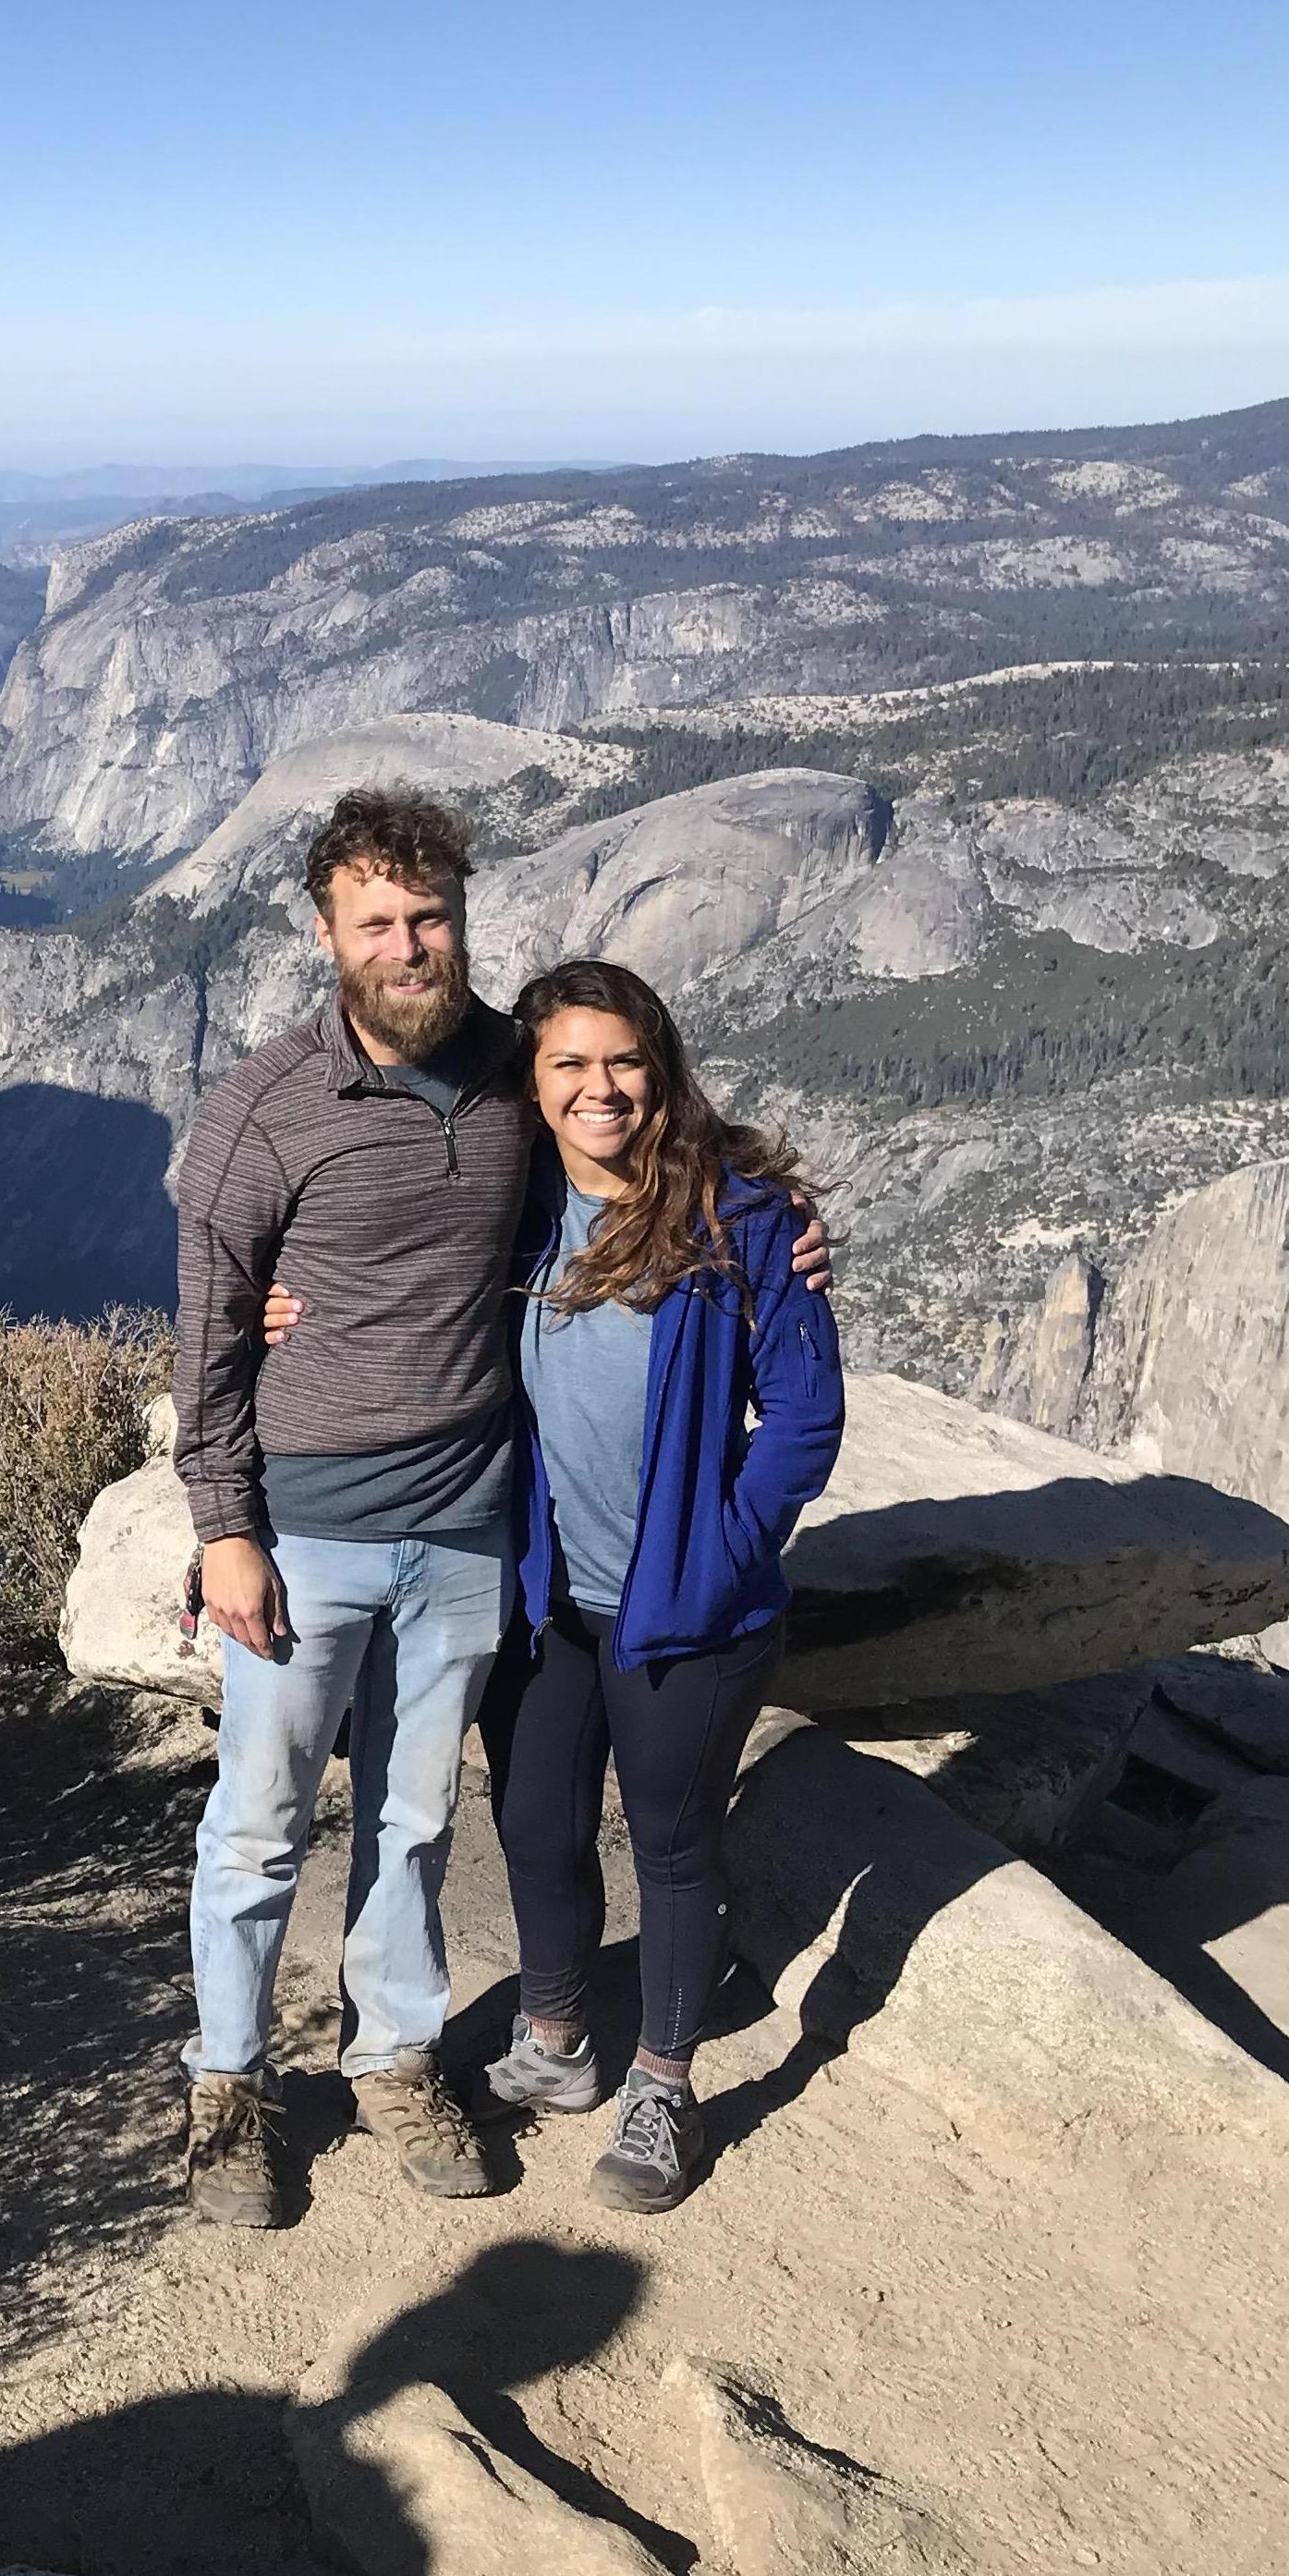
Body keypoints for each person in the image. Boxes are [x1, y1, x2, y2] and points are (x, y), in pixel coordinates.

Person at [171, 788, 827, 2231]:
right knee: (261, 1818)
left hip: (470, 1528)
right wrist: (224, 1525)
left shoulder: (503, 1072)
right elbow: (209, 1331)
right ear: (327, 931)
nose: (409, 942)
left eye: (430, 915)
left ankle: (397, 2054)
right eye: (378, 920)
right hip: (306, 1532)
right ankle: (227, 2088)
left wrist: (780, 1209)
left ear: (458, 916)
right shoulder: (259, 1112)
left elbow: (648, 1133)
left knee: (411, 1816)